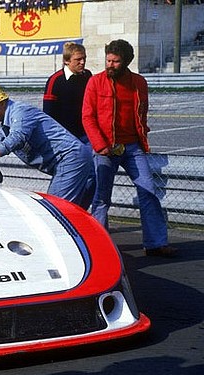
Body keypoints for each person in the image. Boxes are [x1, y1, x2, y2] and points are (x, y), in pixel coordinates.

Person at [82, 39, 177, 258]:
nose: (110, 65)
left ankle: (155, 243)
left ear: (126, 62)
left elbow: (141, 113)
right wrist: (100, 145)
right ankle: (100, 246)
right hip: (105, 148)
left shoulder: (139, 82)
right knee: (102, 198)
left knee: (148, 191)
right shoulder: (95, 82)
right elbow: (88, 116)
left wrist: (143, 133)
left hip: (132, 146)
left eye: (115, 61)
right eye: (108, 60)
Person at [0, 83, 94, 209]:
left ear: (1, 103)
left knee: (55, 209)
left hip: (70, 158)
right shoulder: (8, 124)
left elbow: (17, 138)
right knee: (73, 211)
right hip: (71, 159)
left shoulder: (21, 111)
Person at [43, 42, 92, 143]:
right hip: (65, 137)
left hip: (87, 134)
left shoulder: (87, 75)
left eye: (84, 58)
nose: (82, 62)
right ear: (66, 61)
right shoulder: (55, 80)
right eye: (78, 59)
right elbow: (48, 113)